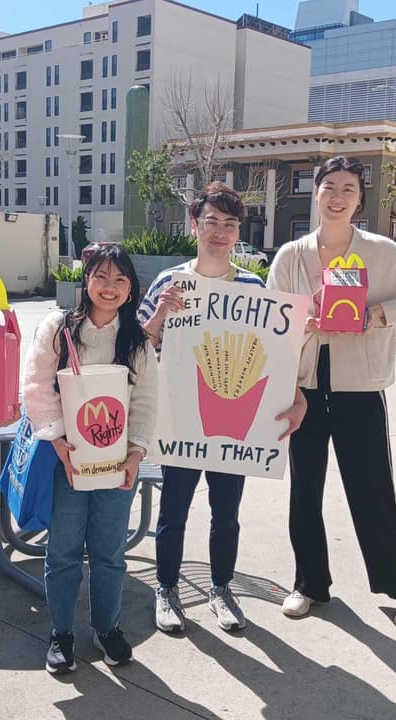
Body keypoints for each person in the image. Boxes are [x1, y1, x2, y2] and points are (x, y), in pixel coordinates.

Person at [267, 155, 396, 627]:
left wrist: (375, 314)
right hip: (303, 390)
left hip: (360, 390)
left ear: (360, 198)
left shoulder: (382, 252)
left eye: (348, 188)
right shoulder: (291, 256)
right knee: (305, 490)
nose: (337, 195)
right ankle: (309, 584)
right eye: (329, 186)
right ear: (316, 193)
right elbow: (272, 326)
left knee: (372, 489)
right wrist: (299, 326)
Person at [139, 182, 307, 635]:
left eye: (230, 224)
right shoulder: (169, 282)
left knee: (226, 513)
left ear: (238, 233)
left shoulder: (253, 285)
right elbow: (136, 347)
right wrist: (159, 318)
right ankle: (166, 587)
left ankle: (220, 587)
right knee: (172, 511)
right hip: (180, 416)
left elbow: (277, 353)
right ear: (194, 225)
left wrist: (297, 393)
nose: (220, 232)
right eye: (211, 221)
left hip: (238, 418)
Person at [23, 244, 157, 673]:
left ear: (131, 287)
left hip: (117, 466)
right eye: (101, 276)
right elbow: (37, 386)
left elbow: (146, 401)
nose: (110, 287)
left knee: (109, 551)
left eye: (120, 279)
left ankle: (107, 627)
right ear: (86, 281)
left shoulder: (135, 339)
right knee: (62, 550)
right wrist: (58, 441)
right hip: (68, 462)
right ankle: (61, 633)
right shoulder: (58, 328)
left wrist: (135, 453)